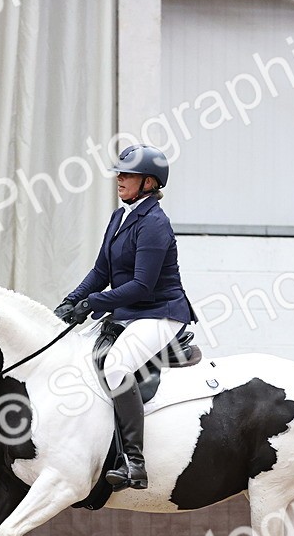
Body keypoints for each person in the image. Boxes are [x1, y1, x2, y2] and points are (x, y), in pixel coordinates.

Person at [55, 144, 194, 490]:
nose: (119, 178)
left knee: (116, 365)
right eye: (119, 172)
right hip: (127, 312)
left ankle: (134, 462)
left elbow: (142, 286)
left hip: (158, 313)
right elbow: (101, 269)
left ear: (148, 182)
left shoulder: (155, 224)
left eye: (127, 174)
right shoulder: (120, 217)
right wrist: (71, 302)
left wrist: (93, 303)